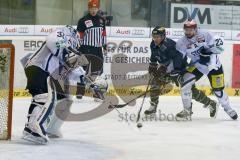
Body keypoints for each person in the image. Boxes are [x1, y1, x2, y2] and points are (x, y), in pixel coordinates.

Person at [22, 25, 104, 144]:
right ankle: (31, 130)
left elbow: (73, 72)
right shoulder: (65, 33)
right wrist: (68, 52)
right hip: (37, 67)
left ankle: (52, 129)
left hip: (48, 75)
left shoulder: (72, 51)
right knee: (43, 97)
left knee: (65, 98)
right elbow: (52, 40)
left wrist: (90, 83)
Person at [144, 26, 218, 119]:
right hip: (167, 70)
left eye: (158, 36)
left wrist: (173, 70)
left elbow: (178, 58)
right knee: (155, 82)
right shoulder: (153, 44)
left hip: (180, 70)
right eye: (154, 36)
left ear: (163, 36)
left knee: (191, 91)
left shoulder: (169, 46)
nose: (156, 39)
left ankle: (211, 104)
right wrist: (152, 65)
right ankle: (153, 107)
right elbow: (154, 55)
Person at [175, 20, 238, 120]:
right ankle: (187, 110)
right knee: (185, 82)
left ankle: (228, 108)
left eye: (190, 30)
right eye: (186, 30)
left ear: (195, 29)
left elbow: (217, 49)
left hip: (214, 66)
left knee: (218, 90)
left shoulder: (206, 34)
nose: (188, 32)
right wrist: (177, 69)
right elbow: (179, 58)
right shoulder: (181, 42)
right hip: (197, 66)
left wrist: (208, 56)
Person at [76, 0, 107, 100]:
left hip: (98, 49)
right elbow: (79, 36)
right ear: (88, 8)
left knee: (96, 72)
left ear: (98, 8)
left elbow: (103, 34)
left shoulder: (102, 20)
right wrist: (78, 49)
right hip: (85, 49)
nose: (93, 10)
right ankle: (80, 92)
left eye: (95, 8)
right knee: (82, 71)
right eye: (91, 8)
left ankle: (96, 93)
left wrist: (105, 46)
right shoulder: (82, 20)